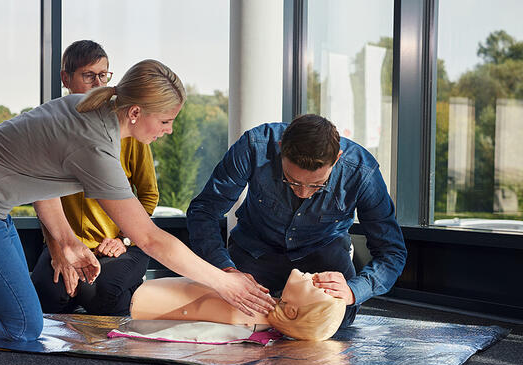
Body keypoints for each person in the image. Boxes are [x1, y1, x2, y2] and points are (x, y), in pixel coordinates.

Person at [0, 59, 275, 340]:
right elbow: (149, 238)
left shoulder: (89, 107)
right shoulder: (98, 144)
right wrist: (224, 281)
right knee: (22, 325)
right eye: (165, 121)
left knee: (17, 303)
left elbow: (42, 171)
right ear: (135, 113)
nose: (168, 130)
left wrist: (66, 240)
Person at [186, 114, 407, 329]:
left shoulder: (362, 171)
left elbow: (391, 252)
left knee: (334, 320)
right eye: (291, 181)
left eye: (317, 185)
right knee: (228, 313)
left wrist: (353, 291)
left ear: (337, 158)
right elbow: (204, 211)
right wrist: (225, 271)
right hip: (256, 251)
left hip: (323, 255)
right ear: (281, 148)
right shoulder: (254, 146)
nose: (303, 192)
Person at [31, 40, 159, 316]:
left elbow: (149, 194)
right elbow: (42, 195)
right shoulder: (54, 127)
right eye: (89, 76)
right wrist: (57, 249)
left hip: (120, 244)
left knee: (101, 294)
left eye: (104, 75)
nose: (98, 84)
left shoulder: (128, 131)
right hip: (67, 242)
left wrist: (124, 239)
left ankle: (130, 309)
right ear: (66, 79)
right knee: (49, 294)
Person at [130, 268, 346, 340]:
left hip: (144, 299)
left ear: (291, 311)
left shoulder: (245, 311)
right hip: (150, 294)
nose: (317, 276)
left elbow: (192, 309)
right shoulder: (257, 304)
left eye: (317, 287)